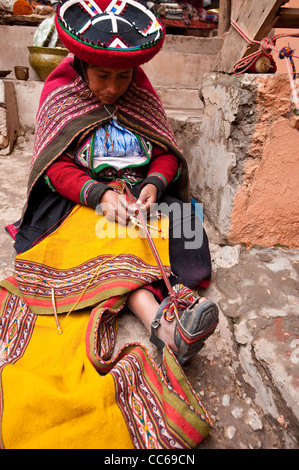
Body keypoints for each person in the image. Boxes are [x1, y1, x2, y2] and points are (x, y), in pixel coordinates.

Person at [1, 0, 218, 449]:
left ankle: (165, 325)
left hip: (136, 195)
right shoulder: (60, 93)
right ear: (81, 63)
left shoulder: (140, 91)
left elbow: (163, 152)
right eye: (103, 76)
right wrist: (99, 195)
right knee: (103, 236)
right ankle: (163, 324)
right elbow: (54, 168)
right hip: (80, 198)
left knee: (164, 224)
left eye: (124, 77)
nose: (115, 88)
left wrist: (155, 185)